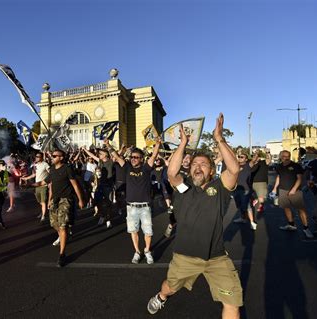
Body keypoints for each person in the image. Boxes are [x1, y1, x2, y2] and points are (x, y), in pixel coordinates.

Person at [146, 113, 243, 319]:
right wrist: (183, 144)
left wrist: (219, 138)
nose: (198, 167)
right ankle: (161, 297)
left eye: (204, 165)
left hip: (216, 257)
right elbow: (172, 173)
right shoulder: (184, 188)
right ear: (190, 171)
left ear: (211, 172)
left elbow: (234, 169)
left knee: (232, 303)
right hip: (185, 257)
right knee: (169, 288)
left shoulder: (221, 188)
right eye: (195, 165)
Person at [107, 137, 161, 265]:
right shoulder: (127, 168)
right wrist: (108, 145)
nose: (133, 159)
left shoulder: (146, 169)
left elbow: (153, 156)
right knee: (134, 231)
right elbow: (116, 156)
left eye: (136, 157)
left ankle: (147, 251)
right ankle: (137, 251)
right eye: (132, 157)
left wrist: (157, 144)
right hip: (131, 207)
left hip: (145, 207)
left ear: (141, 159)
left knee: (148, 232)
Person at [44, 149, 84, 267]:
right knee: (54, 224)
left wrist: (81, 200)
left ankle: (62, 254)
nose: (52, 157)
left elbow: (75, 184)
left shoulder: (67, 168)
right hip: (54, 201)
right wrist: (49, 200)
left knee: (62, 226)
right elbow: (49, 185)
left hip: (66, 200)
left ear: (61, 157)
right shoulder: (51, 169)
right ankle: (64, 233)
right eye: (52, 155)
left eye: (55, 156)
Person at [272, 150, 313, 238]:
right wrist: (275, 188)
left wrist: (294, 189)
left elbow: (299, 178)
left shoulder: (296, 165)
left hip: (295, 191)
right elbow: (279, 177)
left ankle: (306, 228)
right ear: (280, 157)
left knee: (301, 209)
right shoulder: (279, 166)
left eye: (287, 156)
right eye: (283, 156)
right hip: (282, 190)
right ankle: (291, 225)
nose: (286, 158)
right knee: (286, 208)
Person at [83, 146, 115, 228]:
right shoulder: (100, 161)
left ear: (106, 155)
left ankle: (108, 219)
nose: (99, 154)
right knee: (98, 203)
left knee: (108, 204)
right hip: (100, 186)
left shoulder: (111, 161)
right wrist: (85, 150)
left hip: (108, 186)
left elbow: (117, 155)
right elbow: (92, 156)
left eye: (101, 153)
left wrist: (109, 146)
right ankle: (102, 215)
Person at [21, 152, 50, 222]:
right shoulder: (36, 165)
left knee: (43, 202)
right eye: (36, 156)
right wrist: (26, 178)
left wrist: (49, 181)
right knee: (39, 201)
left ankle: (43, 216)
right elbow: (34, 174)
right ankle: (43, 211)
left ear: (41, 158)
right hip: (37, 186)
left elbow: (50, 173)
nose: (36, 157)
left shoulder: (45, 164)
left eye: (38, 156)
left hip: (44, 186)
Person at [232, 153, 257, 230]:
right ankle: (243, 218)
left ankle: (252, 222)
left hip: (245, 190)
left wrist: (255, 153)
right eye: (239, 156)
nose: (240, 158)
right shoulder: (236, 166)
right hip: (236, 189)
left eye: (242, 157)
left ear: (246, 159)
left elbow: (254, 159)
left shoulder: (248, 166)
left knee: (248, 206)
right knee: (240, 206)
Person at [306, 149, 317, 237]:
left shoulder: (313, 163)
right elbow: (308, 173)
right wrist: (309, 181)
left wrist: (308, 181)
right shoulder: (313, 163)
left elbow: (308, 174)